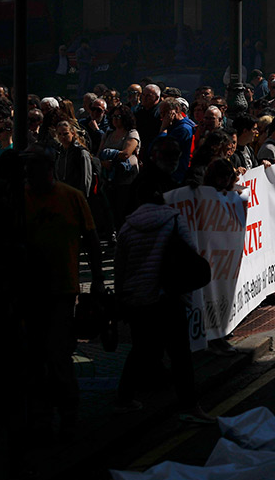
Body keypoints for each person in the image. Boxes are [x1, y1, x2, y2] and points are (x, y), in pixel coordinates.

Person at [113, 162, 215, 424]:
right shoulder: (172, 219)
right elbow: (191, 253)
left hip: (138, 298)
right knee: (180, 354)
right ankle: (190, 406)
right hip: (167, 296)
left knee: (140, 350)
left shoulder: (126, 228)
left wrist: (122, 296)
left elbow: (120, 267)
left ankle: (124, 399)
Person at [21, 145, 104, 441]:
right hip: (29, 291)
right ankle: (40, 419)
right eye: (28, 174)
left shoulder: (72, 197)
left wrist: (97, 280)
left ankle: (68, 416)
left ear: (50, 171)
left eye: (36, 173)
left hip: (62, 290)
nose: (32, 178)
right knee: (34, 358)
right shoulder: (20, 199)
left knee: (58, 356)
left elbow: (92, 240)